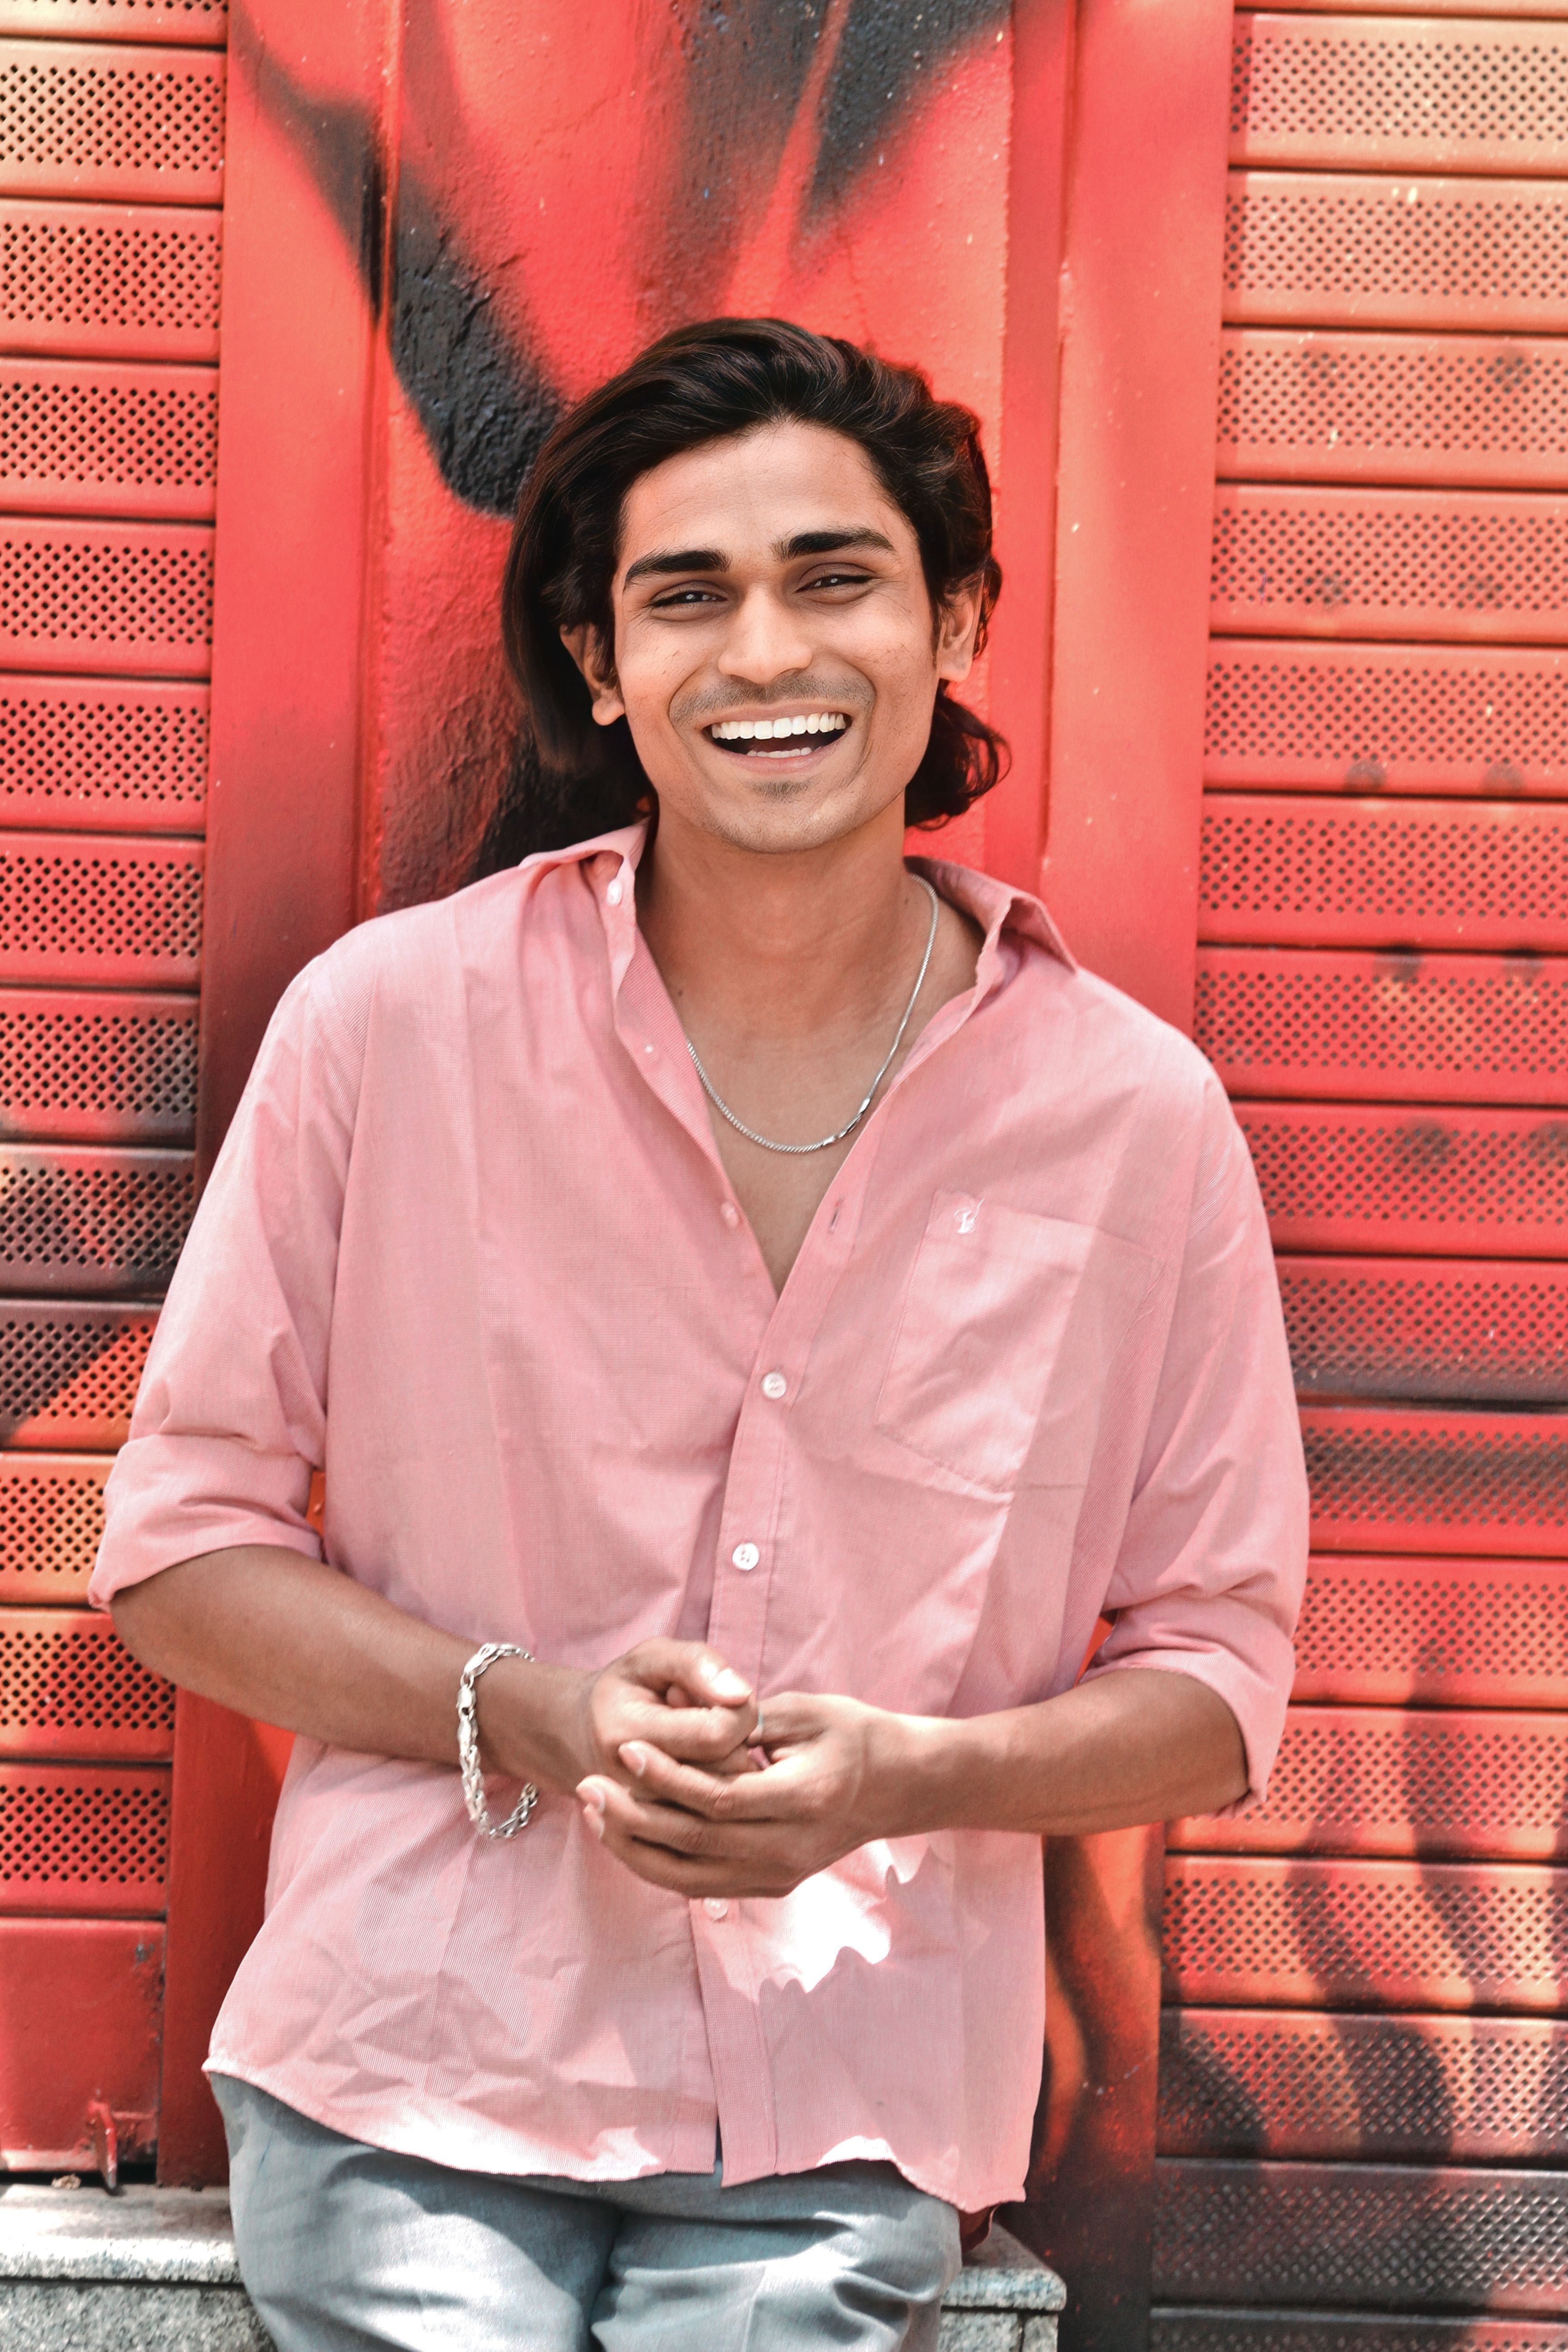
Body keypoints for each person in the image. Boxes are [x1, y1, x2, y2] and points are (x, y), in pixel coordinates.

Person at [96, 318, 1308, 2352]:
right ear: (600, 661)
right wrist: (533, 1713)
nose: (767, 653)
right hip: (413, 2063)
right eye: (688, 595)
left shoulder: (1133, 1115)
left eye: (835, 578)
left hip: (850, 2091)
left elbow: (1218, 1675)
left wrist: (905, 1779)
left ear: (954, 624)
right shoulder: (391, 1027)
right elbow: (180, 1555)